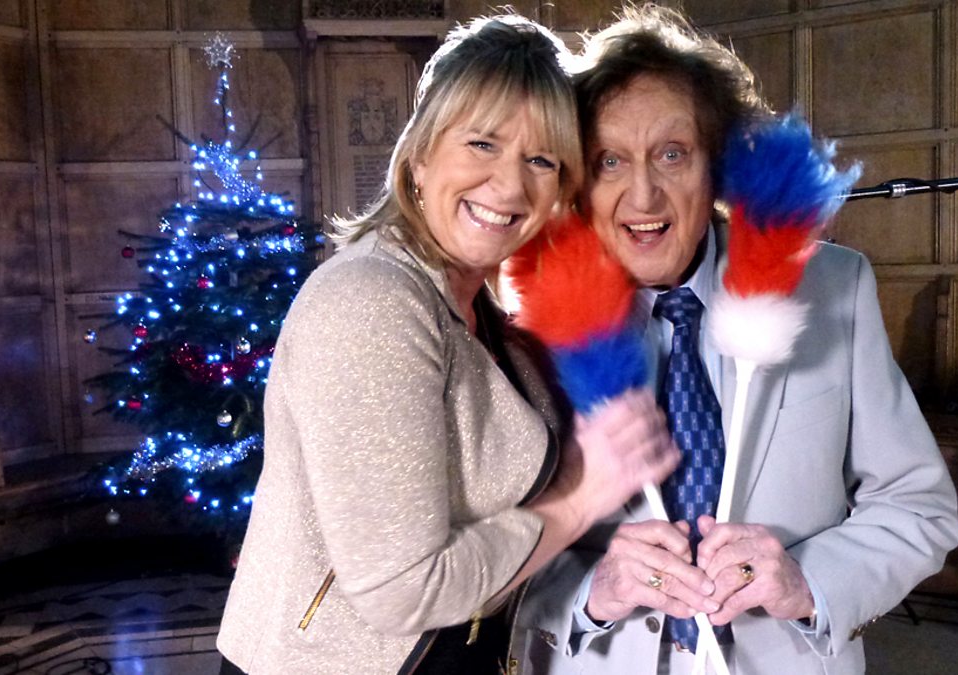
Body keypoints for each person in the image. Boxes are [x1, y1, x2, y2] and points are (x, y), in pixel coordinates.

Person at [216, 14, 679, 675]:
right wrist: (579, 498)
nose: (510, 186)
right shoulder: (372, 300)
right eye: (482, 143)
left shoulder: (482, 312)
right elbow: (404, 591)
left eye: (541, 159)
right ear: (421, 152)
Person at [511, 6, 958, 675]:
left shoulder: (834, 289)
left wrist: (807, 583)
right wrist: (590, 593)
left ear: (716, 166)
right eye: (609, 161)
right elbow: (491, 557)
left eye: (672, 154)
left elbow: (919, 505)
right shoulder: (529, 330)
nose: (644, 195)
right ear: (577, 183)